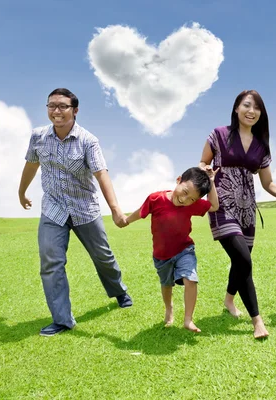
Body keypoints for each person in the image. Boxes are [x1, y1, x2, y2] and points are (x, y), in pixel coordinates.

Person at [18, 88, 133, 337]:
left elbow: (101, 173)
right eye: (51, 106)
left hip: (84, 209)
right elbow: (31, 163)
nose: (56, 111)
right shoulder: (38, 136)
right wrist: (21, 191)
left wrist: (115, 210)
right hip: (53, 209)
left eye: (62, 106)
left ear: (75, 110)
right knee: (51, 263)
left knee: (103, 257)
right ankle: (62, 319)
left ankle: (119, 291)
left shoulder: (88, 141)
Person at [199, 89, 276, 339]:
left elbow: (268, 182)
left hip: (247, 209)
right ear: (236, 108)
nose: (251, 111)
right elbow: (202, 162)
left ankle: (228, 300)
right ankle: (257, 320)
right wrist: (205, 171)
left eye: (257, 107)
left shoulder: (261, 146)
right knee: (245, 261)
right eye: (247, 105)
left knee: (241, 260)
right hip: (221, 204)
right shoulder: (219, 135)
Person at [125, 167, 219, 333]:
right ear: (178, 180)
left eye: (191, 199)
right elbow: (141, 212)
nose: (184, 199)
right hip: (162, 256)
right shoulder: (156, 199)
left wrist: (211, 182)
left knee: (191, 279)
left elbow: (213, 206)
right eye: (184, 192)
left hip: (184, 250)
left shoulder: (193, 205)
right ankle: (169, 308)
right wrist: (126, 220)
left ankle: (188, 319)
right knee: (166, 285)